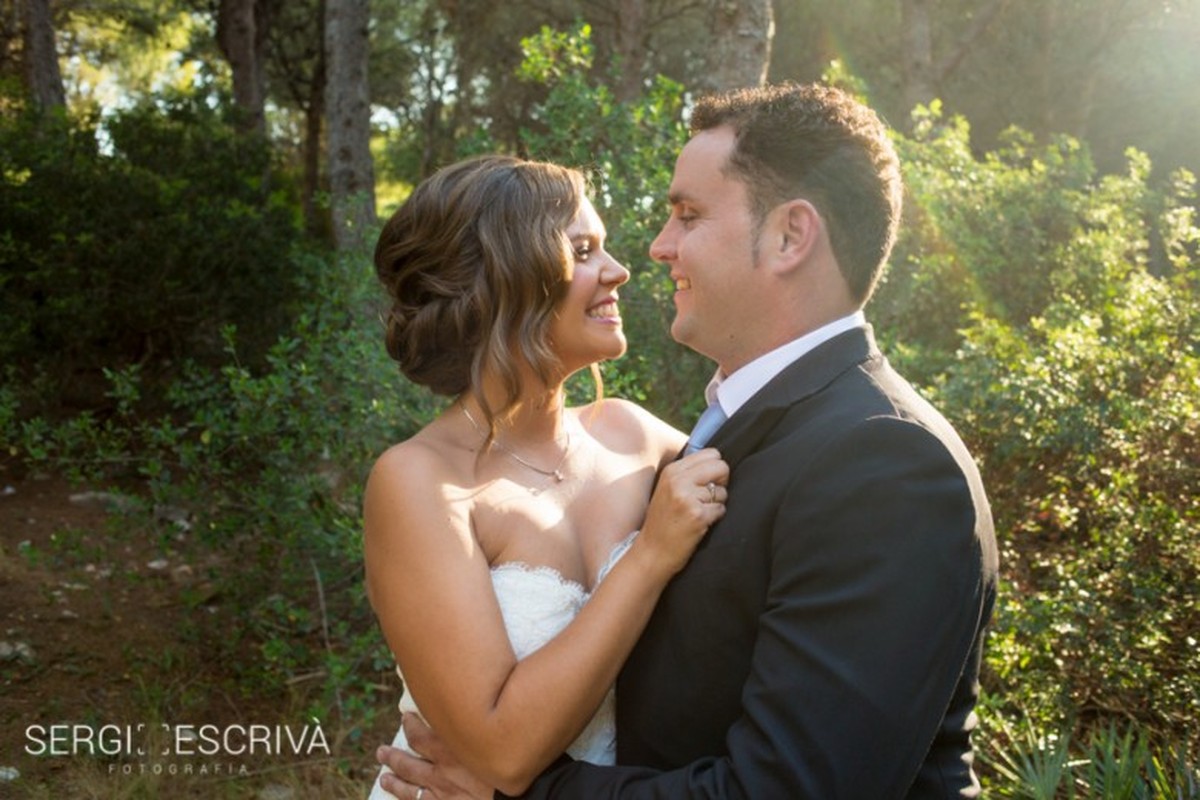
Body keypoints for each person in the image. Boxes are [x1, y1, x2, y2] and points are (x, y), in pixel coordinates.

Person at [376, 82, 999, 798]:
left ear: (791, 235)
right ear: (505, 276)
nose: (648, 254)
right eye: (583, 250)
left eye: (689, 215)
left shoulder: (881, 463)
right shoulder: (736, 431)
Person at [363, 154, 731, 800]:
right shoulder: (420, 482)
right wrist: (647, 559)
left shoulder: (634, 436)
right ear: (507, 279)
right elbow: (503, 753)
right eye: (584, 251)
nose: (618, 272)